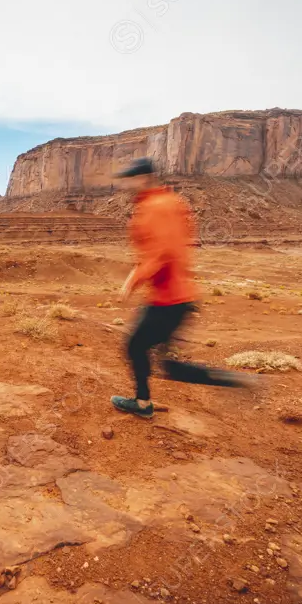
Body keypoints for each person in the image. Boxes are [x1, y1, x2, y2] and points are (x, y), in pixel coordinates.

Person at [112, 157, 254, 418]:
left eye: (129, 179)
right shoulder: (170, 202)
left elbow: (164, 250)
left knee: (135, 347)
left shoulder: (156, 206)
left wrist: (134, 278)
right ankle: (232, 379)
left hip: (168, 298)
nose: (125, 185)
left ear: (143, 178)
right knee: (168, 365)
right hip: (178, 295)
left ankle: (143, 404)